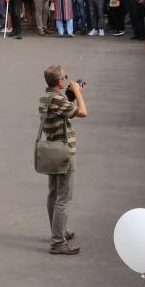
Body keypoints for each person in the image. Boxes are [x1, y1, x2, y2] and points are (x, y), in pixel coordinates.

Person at [37, 64, 86, 256]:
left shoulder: (45, 98)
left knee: (53, 194)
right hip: (64, 153)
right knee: (64, 198)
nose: (67, 79)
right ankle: (58, 242)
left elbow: (61, 108)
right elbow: (83, 112)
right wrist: (78, 94)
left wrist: (71, 95)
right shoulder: (58, 100)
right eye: (65, 77)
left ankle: (57, 231)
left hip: (52, 151)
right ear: (59, 81)